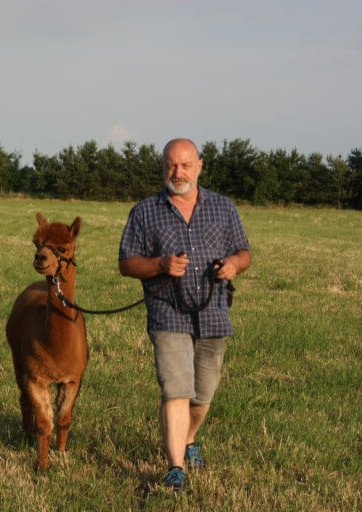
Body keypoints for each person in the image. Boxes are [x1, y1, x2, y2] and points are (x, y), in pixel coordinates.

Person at [118, 138, 251, 489]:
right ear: (163, 167)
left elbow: (244, 252)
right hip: (167, 313)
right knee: (175, 390)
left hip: (213, 313)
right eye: (171, 166)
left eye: (185, 165)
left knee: (202, 394)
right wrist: (160, 264)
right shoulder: (144, 211)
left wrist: (234, 265)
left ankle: (189, 438)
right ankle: (176, 466)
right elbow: (126, 263)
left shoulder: (224, 208)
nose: (178, 173)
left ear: (199, 166)